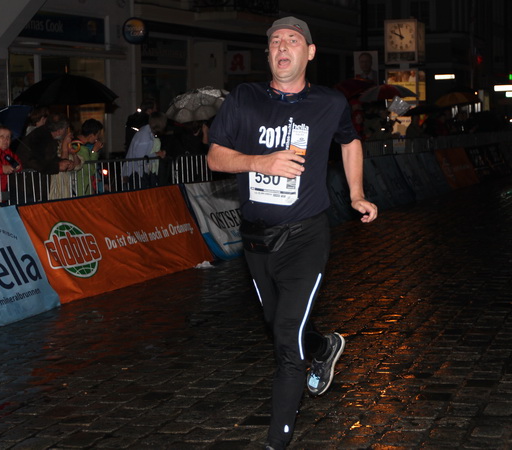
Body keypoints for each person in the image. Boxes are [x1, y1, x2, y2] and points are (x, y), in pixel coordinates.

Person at [207, 16, 378, 450]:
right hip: (256, 240)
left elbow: (350, 141)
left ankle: (276, 442)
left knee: (286, 339)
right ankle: (323, 347)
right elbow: (216, 157)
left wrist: (357, 193)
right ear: (268, 54)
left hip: (306, 236)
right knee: (277, 323)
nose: (283, 46)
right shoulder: (244, 98)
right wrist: (260, 162)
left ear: (310, 52)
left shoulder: (329, 102)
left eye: (293, 40)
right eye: (275, 41)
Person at [16, 114, 79, 202]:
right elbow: (35, 161)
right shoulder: (40, 137)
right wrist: (57, 166)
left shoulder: (46, 136)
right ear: (59, 131)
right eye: (66, 129)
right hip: (28, 186)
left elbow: (49, 158)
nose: (67, 132)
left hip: (35, 185)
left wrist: (64, 162)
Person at [121, 111, 167, 190]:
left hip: (134, 173)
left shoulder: (146, 132)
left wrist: (156, 154)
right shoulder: (145, 137)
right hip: (134, 174)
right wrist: (156, 155)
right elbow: (140, 158)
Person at [70, 118, 104, 196]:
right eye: (97, 135)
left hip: (77, 187)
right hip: (82, 189)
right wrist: (94, 151)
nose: (97, 138)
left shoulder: (74, 143)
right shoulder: (81, 149)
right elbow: (90, 170)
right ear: (91, 135)